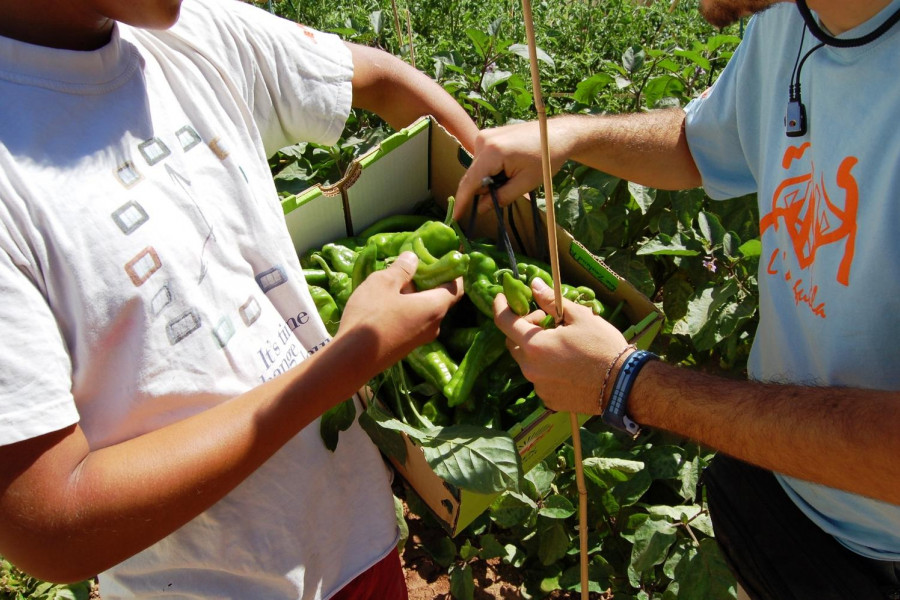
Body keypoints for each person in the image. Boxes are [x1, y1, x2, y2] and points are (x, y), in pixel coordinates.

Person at [0, 0, 478, 598]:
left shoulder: (190, 31)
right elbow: (48, 525)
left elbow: (379, 80)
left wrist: (486, 190)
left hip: (355, 540)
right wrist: (347, 362)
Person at [454, 0, 900, 598]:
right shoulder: (792, 20)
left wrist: (627, 383)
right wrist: (573, 135)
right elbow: (702, 141)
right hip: (778, 486)